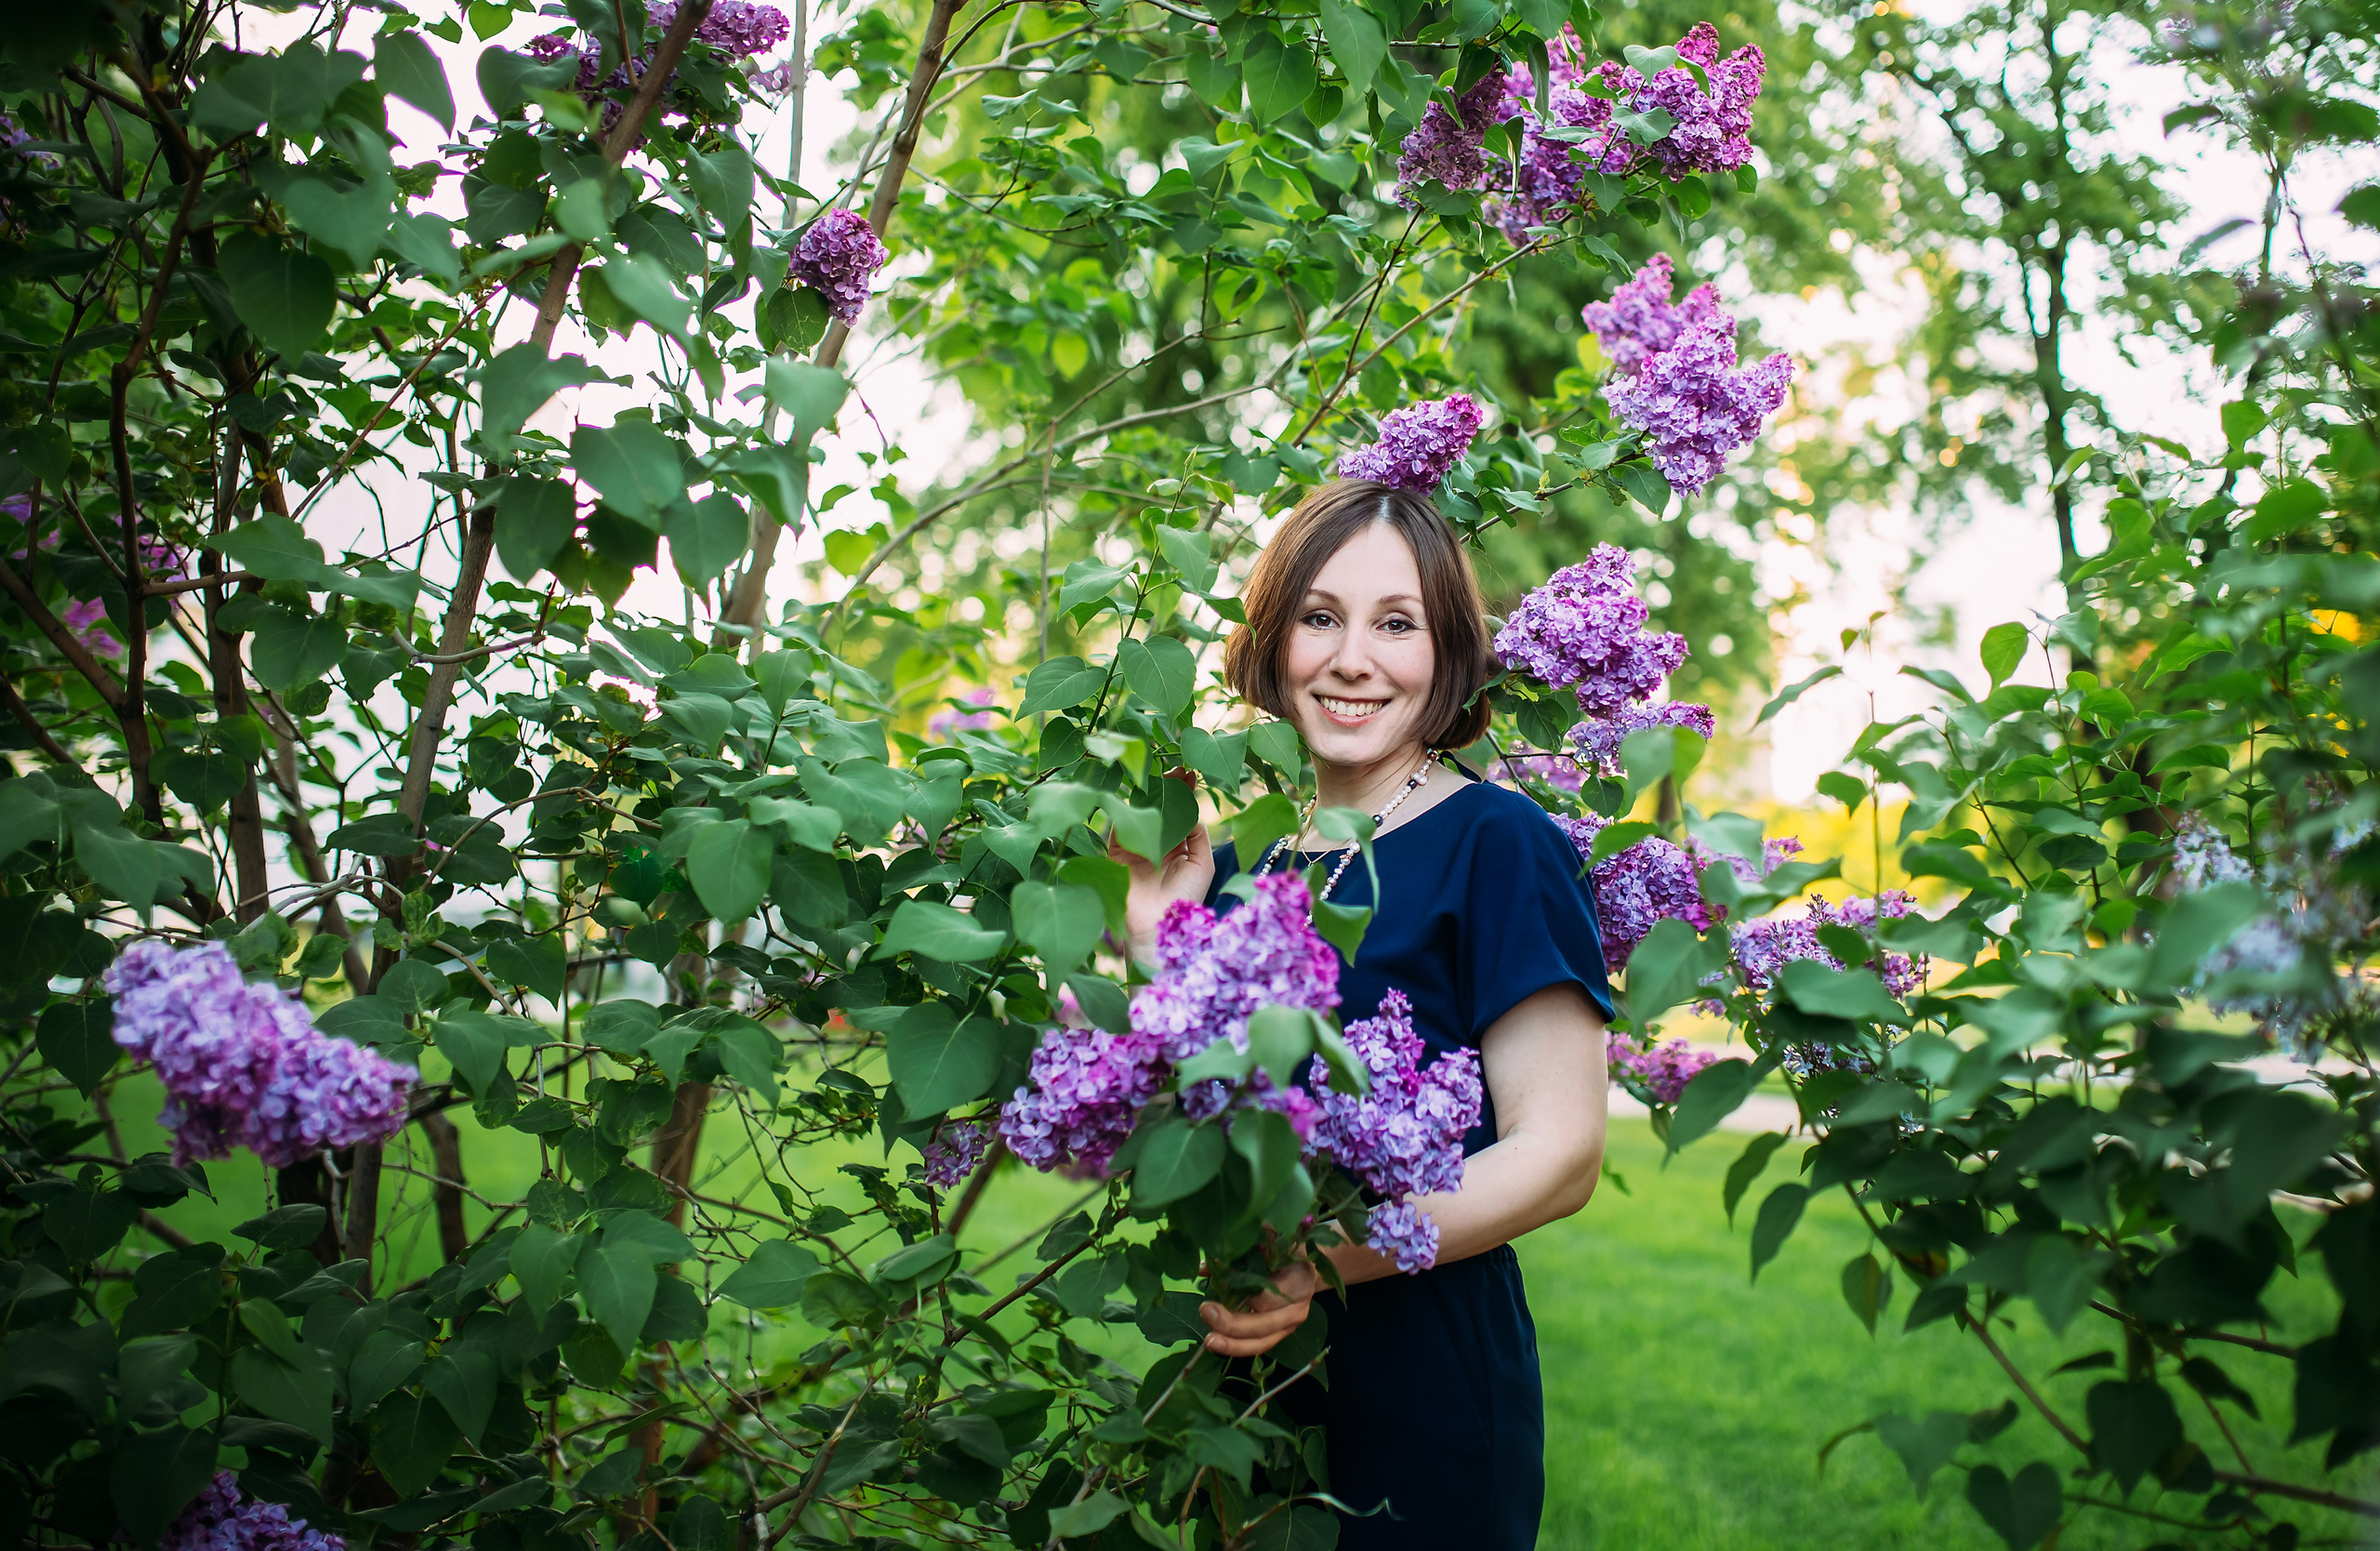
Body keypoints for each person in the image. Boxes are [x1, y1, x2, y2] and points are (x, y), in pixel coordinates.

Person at [1119, 477, 1614, 1550]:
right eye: (1318, 617)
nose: (1353, 659)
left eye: (1397, 624)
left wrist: (1321, 1259)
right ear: (1271, 636)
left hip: (1422, 1371)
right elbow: (1189, 1118)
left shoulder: (1499, 844)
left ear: (1447, 651)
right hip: (1241, 1375)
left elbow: (1562, 1152)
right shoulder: (1233, 851)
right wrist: (1154, 947)